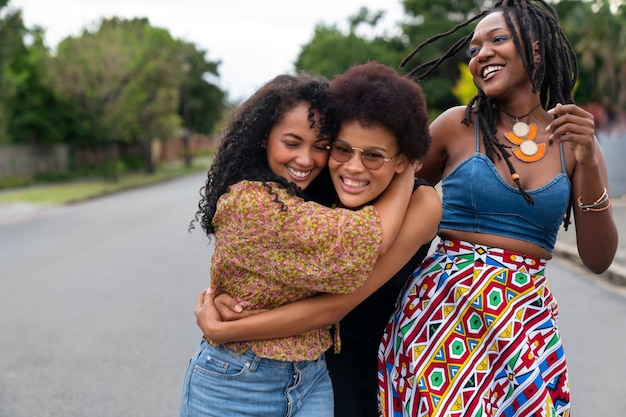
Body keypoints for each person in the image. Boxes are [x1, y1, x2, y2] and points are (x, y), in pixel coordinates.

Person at [378, 1, 618, 416]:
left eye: (497, 40)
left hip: (524, 326)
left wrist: (590, 161)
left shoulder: (574, 141)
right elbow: (390, 202)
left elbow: (598, 260)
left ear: (537, 51)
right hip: (440, 318)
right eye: (474, 49)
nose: (480, 55)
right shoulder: (455, 126)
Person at [193, 61, 441, 417]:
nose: (353, 167)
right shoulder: (313, 186)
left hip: (365, 372)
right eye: (341, 149)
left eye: (374, 155)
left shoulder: (421, 202)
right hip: (302, 366)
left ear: (402, 160)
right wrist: (217, 300)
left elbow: (334, 307)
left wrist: (226, 327)